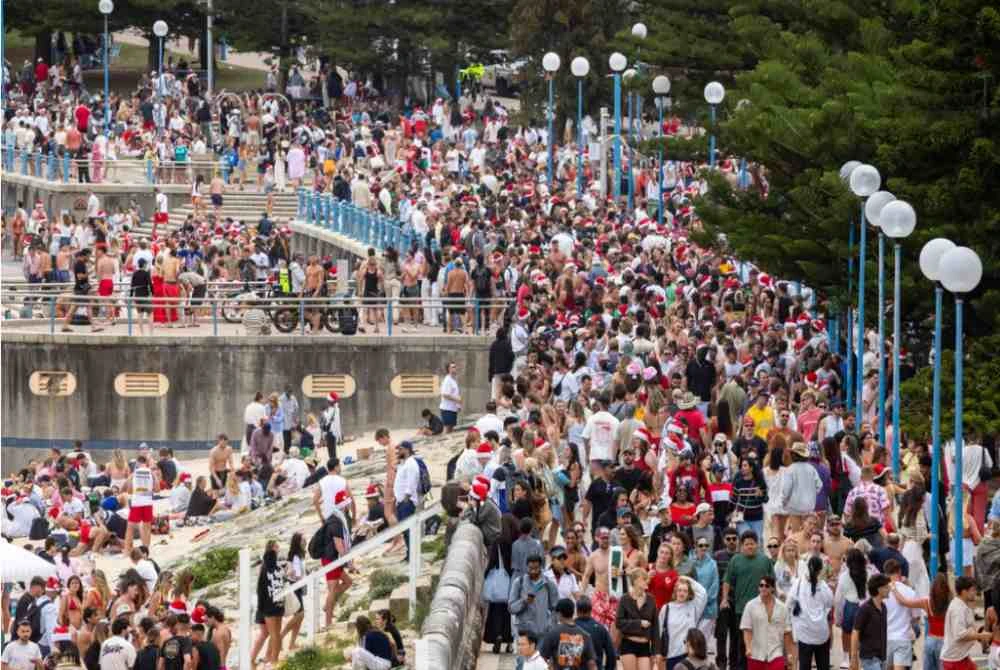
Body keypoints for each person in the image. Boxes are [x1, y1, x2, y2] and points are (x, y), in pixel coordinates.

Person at [788, 555, 834, 670]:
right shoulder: (824, 587)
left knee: (804, 666)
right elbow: (830, 603)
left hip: (804, 634)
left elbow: (789, 603)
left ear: (807, 567)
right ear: (820, 570)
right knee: (823, 666)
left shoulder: (798, 583)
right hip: (821, 634)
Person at [740, 574, 794, 670]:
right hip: (755, 654)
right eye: (761, 585)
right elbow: (747, 629)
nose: (763, 588)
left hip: (776, 653)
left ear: (772, 588)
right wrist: (748, 648)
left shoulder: (782, 608)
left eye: (767, 586)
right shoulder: (750, 606)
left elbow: (786, 632)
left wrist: (789, 653)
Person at [657, 575, 710, 670]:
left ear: (689, 593)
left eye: (685, 591)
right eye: (679, 590)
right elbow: (659, 630)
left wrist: (685, 578)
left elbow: (703, 592)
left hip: (689, 654)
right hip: (671, 654)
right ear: (675, 591)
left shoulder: (694, 607)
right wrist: (658, 652)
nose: (682, 593)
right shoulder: (667, 608)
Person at [941, 576, 991, 670]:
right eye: (973, 590)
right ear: (964, 592)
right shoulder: (958, 609)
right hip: (955, 660)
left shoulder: (961, 605)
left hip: (961, 656)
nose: (975, 593)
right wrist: (980, 636)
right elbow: (960, 634)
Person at [251, 541, 285, 669]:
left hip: (267, 606)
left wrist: (260, 608)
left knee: (271, 634)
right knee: (276, 633)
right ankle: (272, 658)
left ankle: (271, 659)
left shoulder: (264, 568)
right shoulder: (279, 569)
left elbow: (260, 589)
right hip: (279, 604)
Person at [539, 598, 598, 670]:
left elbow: (542, 660)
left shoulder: (552, 634)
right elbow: (592, 664)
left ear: (559, 614)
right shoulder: (585, 635)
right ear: (573, 612)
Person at [509, 555, 559, 637]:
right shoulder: (519, 582)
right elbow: (511, 608)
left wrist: (550, 626)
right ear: (526, 567)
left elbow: (555, 608)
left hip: (543, 633)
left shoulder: (549, 584)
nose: (533, 571)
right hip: (524, 634)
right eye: (530, 568)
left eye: (536, 568)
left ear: (541, 567)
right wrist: (524, 601)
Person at [850, 575, 890, 670]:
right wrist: (854, 658)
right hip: (869, 657)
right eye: (886, 587)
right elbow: (855, 632)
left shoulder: (884, 607)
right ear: (879, 589)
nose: (889, 589)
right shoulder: (865, 609)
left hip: (882, 657)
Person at [574, 597, 616, 670]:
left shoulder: (569, 628)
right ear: (591, 610)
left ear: (577, 610)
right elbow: (611, 653)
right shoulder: (601, 629)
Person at [439, 361, 462, 433]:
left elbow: (455, 393)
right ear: (449, 369)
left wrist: (458, 405)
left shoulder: (453, 380)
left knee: (451, 429)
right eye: (453, 367)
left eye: (455, 367)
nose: (455, 368)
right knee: (448, 430)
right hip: (447, 409)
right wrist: (457, 399)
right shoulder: (447, 380)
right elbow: (445, 394)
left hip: (452, 409)